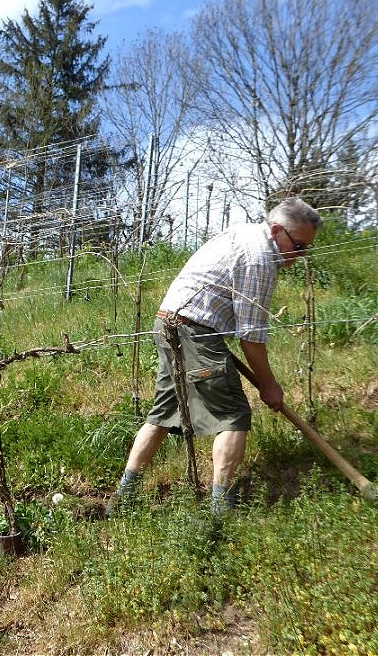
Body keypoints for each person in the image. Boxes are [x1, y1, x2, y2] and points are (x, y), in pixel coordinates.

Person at [109, 197, 322, 516]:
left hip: (169, 321)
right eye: (299, 246)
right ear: (277, 230)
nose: (301, 255)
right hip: (194, 329)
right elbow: (250, 334)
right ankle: (221, 510)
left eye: (306, 249)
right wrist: (269, 386)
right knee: (233, 414)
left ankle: (124, 498)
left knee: (165, 413)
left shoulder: (245, 234)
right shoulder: (261, 258)